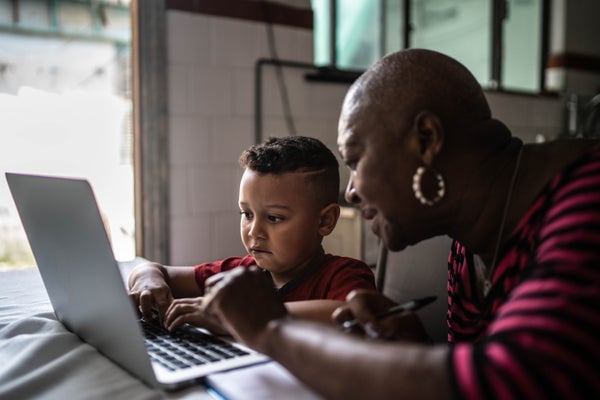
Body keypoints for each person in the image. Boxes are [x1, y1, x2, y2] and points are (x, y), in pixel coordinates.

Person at [197, 49, 600, 399]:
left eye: (355, 160)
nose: (351, 191)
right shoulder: (468, 248)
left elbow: (504, 383)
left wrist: (270, 331)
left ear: (426, 140)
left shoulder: (587, 202)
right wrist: (410, 341)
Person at [128, 135, 375, 332]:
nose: (254, 231)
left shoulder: (344, 274)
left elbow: (350, 313)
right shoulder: (239, 276)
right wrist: (148, 281)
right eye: (246, 214)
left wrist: (244, 317)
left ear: (325, 220)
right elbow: (153, 270)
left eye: (274, 218)